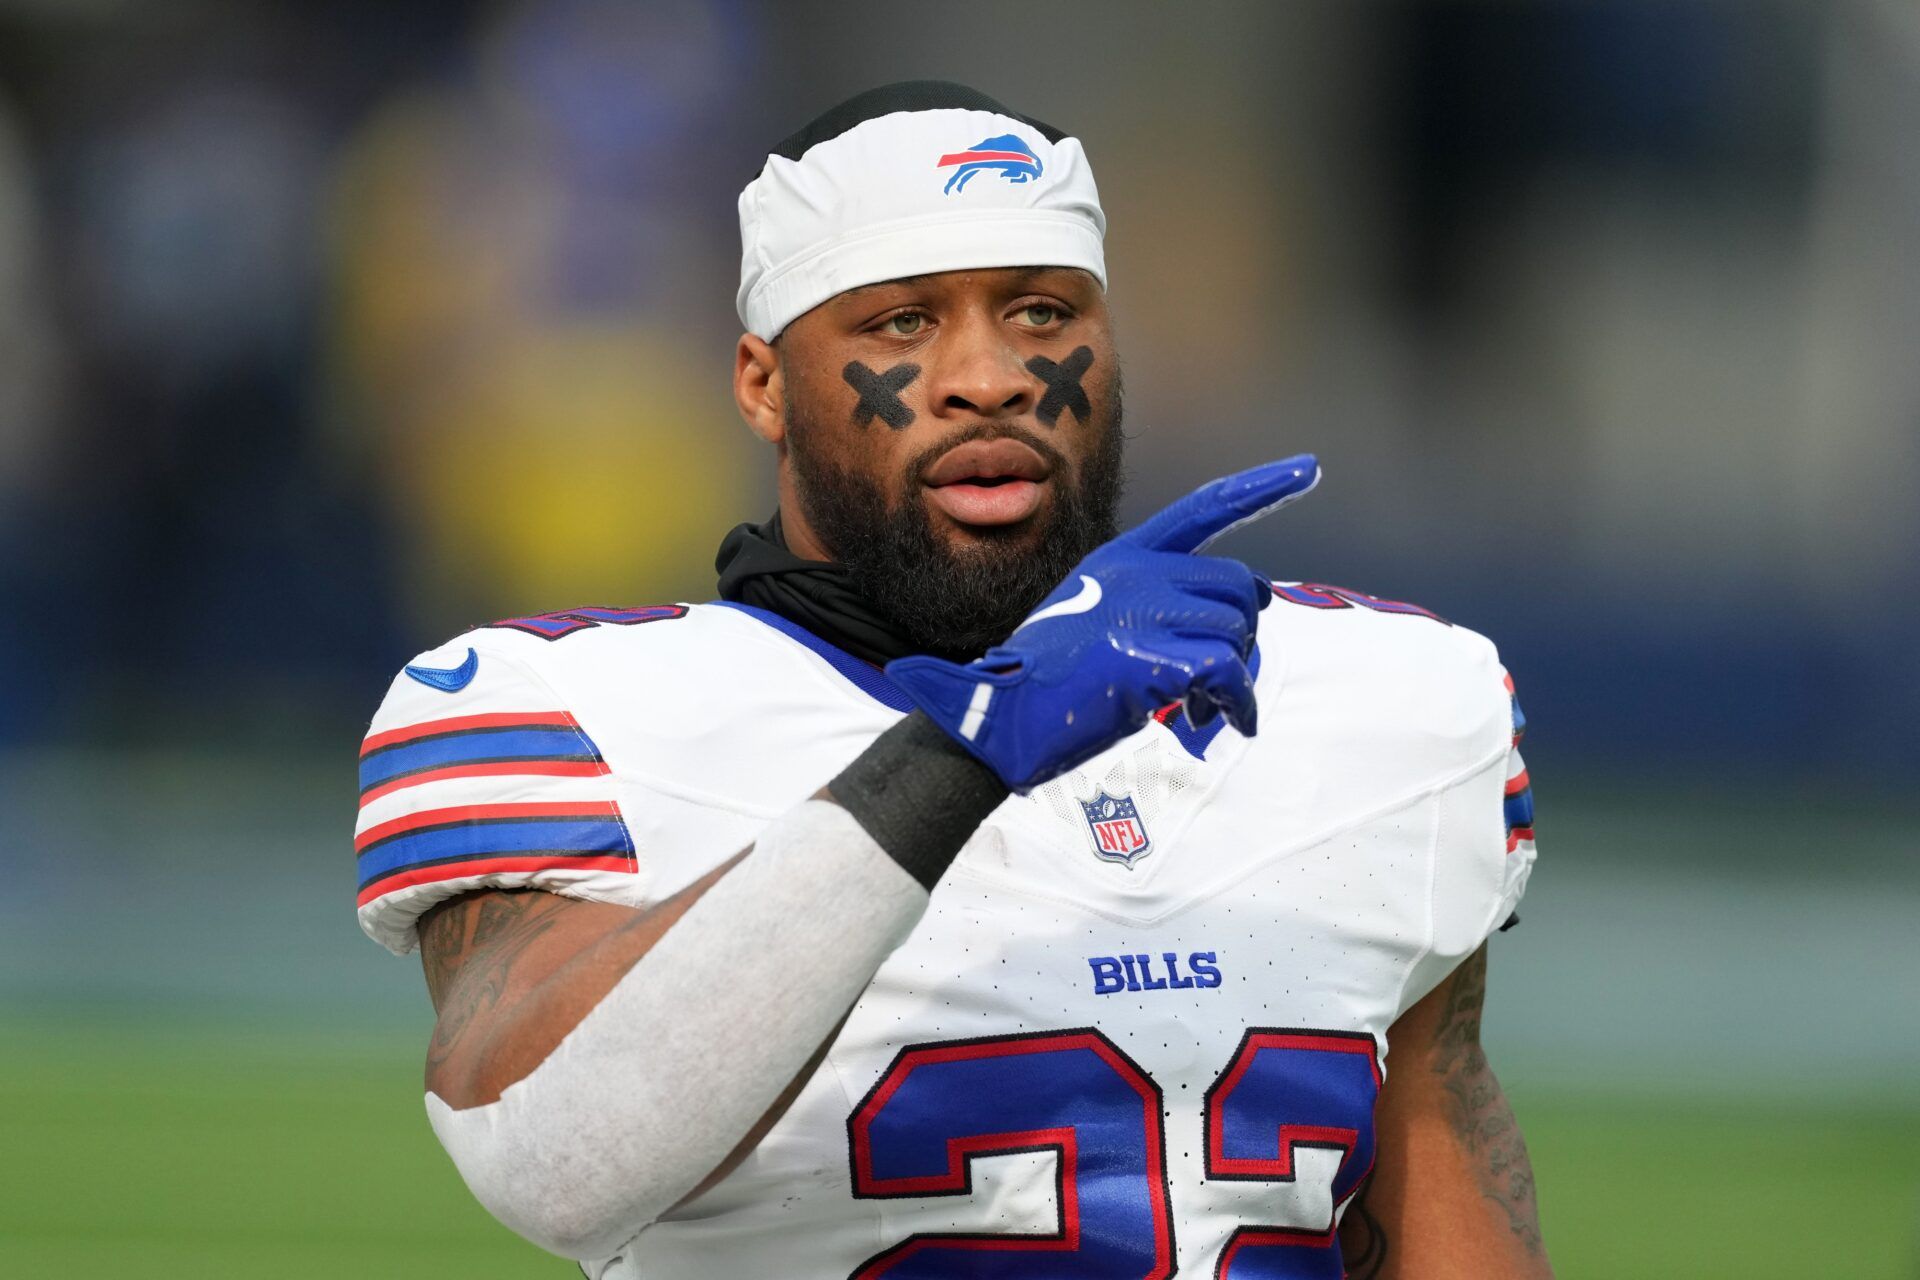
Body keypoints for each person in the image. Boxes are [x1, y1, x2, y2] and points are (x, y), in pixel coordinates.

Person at [352, 81, 1548, 1279]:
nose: (991, 376)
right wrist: (963, 750)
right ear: (765, 384)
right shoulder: (565, 711)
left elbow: (1441, 1193)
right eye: (902, 324)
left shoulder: (1384, 697)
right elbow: (552, 1161)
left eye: (1041, 310)